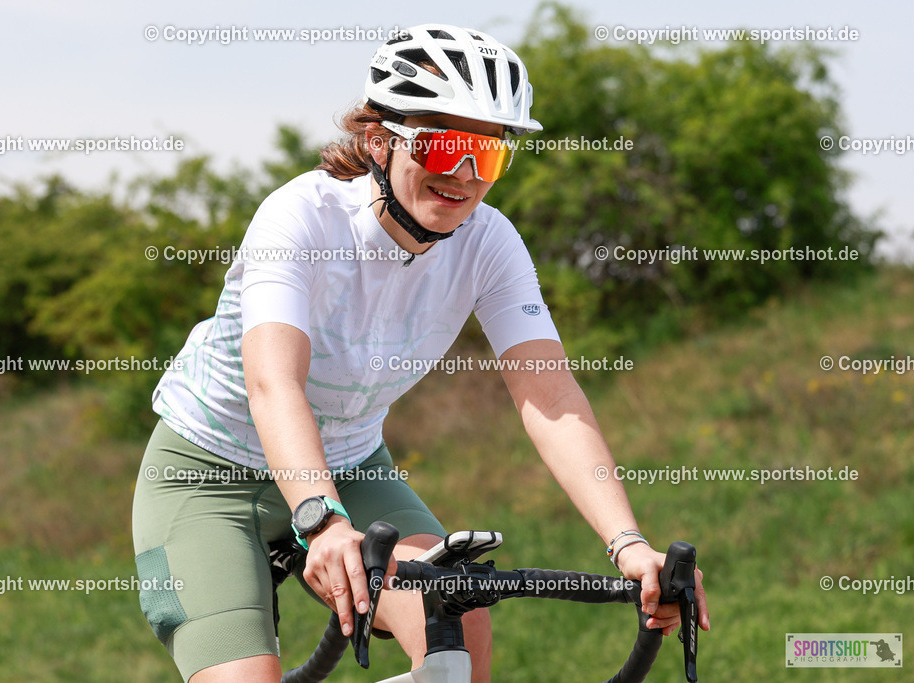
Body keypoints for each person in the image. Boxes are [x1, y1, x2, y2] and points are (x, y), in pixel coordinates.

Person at [131, 23, 710, 683]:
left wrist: (629, 545)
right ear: (379, 141)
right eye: (444, 146)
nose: (464, 176)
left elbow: (550, 397)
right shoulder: (300, 217)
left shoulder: (489, 243)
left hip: (351, 463)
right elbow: (274, 383)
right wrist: (321, 522)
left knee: (458, 615)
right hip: (207, 474)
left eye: (486, 155)